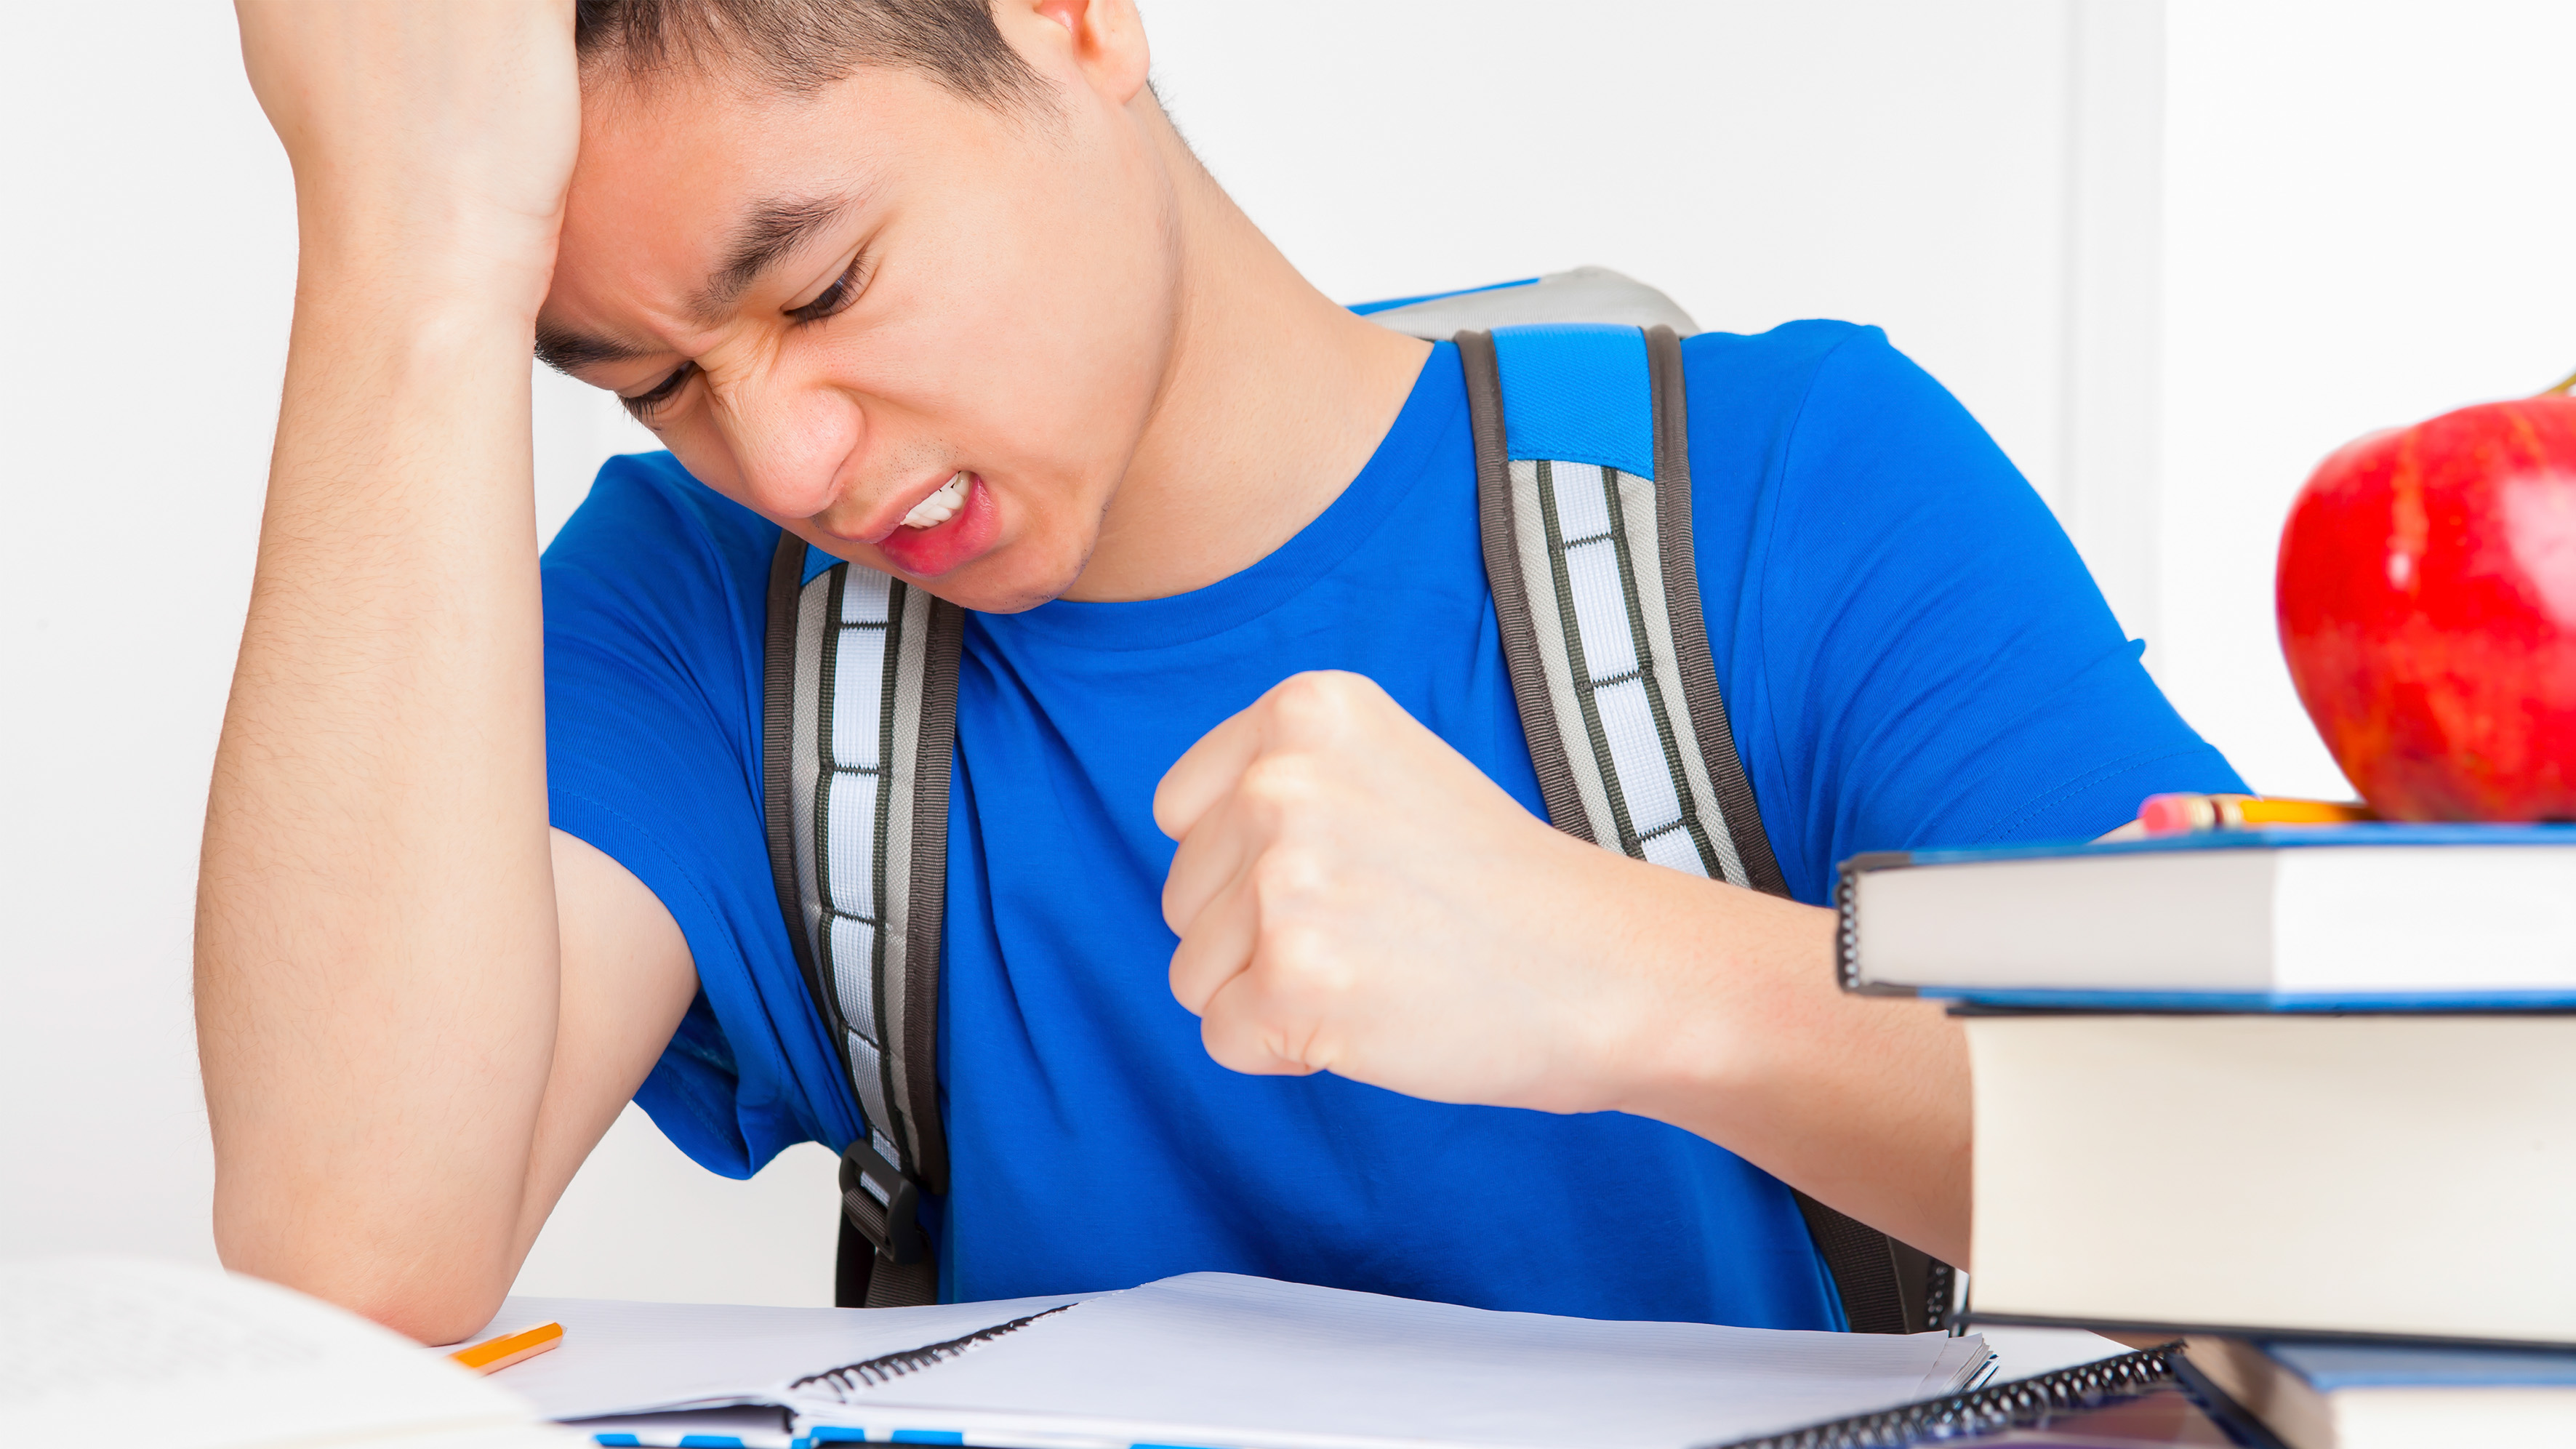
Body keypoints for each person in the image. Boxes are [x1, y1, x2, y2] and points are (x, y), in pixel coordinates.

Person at [198, 0, 2245, 1346]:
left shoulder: (1793, 489)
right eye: (657, 388)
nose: (785, 460)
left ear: (1073, 20)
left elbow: (2299, 1169)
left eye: (824, 285)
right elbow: (349, 1269)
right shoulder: (702, 621)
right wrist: (406, 236)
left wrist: (1650, 980)